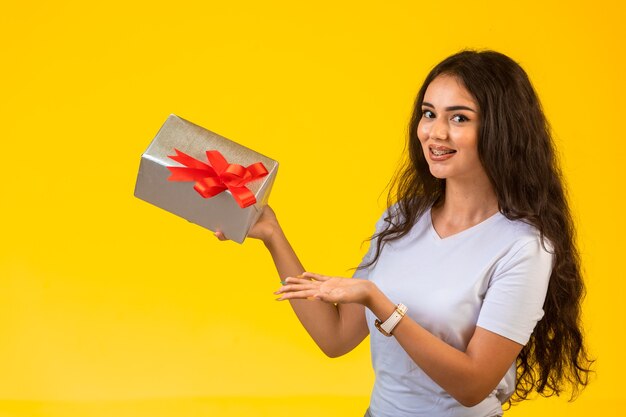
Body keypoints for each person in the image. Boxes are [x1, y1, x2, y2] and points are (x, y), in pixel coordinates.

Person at [215, 50, 592, 417]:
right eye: (429, 114)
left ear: (501, 129)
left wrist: (381, 305)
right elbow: (335, 338)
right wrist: (273, 235)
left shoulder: (523, 246)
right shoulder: (402, 218)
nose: (435, 132)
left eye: (459, 118)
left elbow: (473, 384)